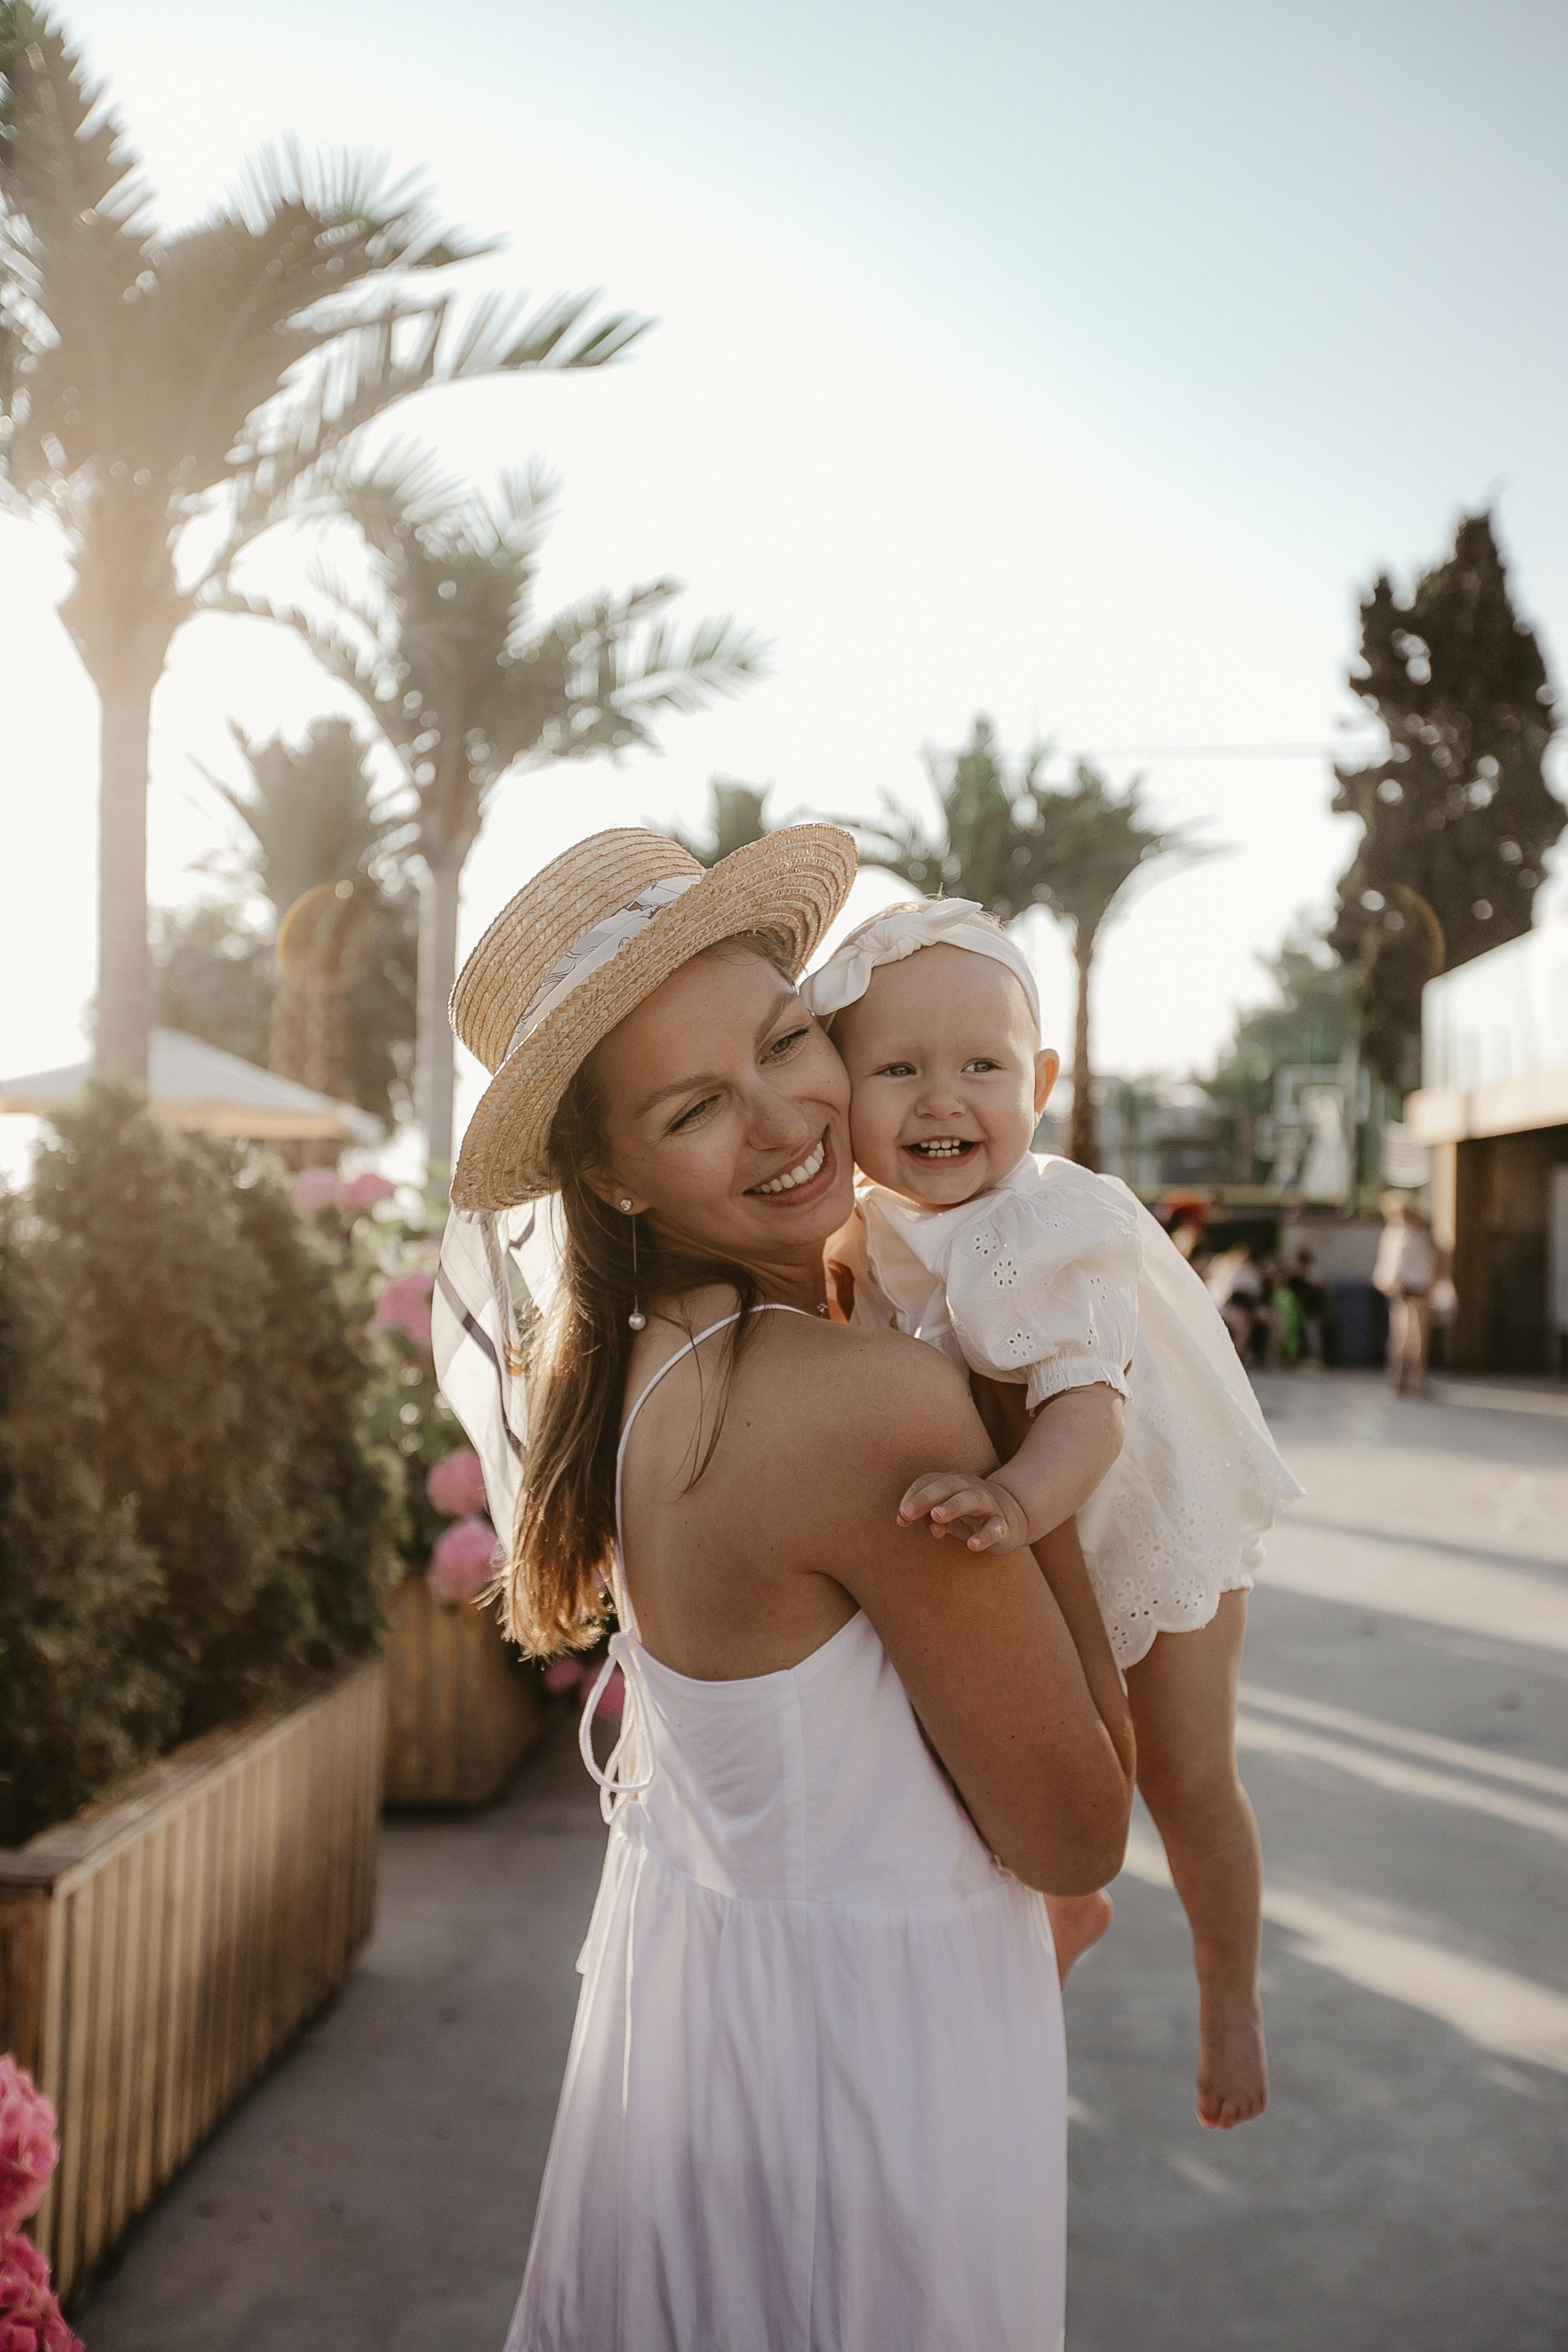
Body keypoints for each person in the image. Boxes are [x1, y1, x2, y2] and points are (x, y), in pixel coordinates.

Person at [443, 829, 1135, 2352]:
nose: (785, 1121)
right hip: (870, 2094)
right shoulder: (860, 1403)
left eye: (784, 1042)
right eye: (695, 1108)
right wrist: (1037, 1410)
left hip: (700, 2055)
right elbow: (1079, 1828)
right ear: (609, 1175)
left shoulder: (636, 1374)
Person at [802, 897, 1301, 2131]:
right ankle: (1072, 1902)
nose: (943, 1101)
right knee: (1030, 1756)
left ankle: (1229, 1993)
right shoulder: (862, 1230)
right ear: (838, 1094)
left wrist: (1014, 1500)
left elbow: (1090, 1412)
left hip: (1144, 1514)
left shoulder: (1050, 1222)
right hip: (1021, 1535)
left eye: (983, 1067)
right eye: (898, 1071)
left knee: (1187, 1772)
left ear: (1041, 1081)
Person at [1373, 1193, 1443, 1395]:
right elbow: (1434, 1263)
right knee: (1415, 1339)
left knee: (1401, 1338)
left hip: (1403, 1291)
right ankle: (1416, 1381)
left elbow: (1386, 1268)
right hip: (1416, 1291)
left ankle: (1400, 1379)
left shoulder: (1394, 1234)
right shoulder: (1413, 1236)